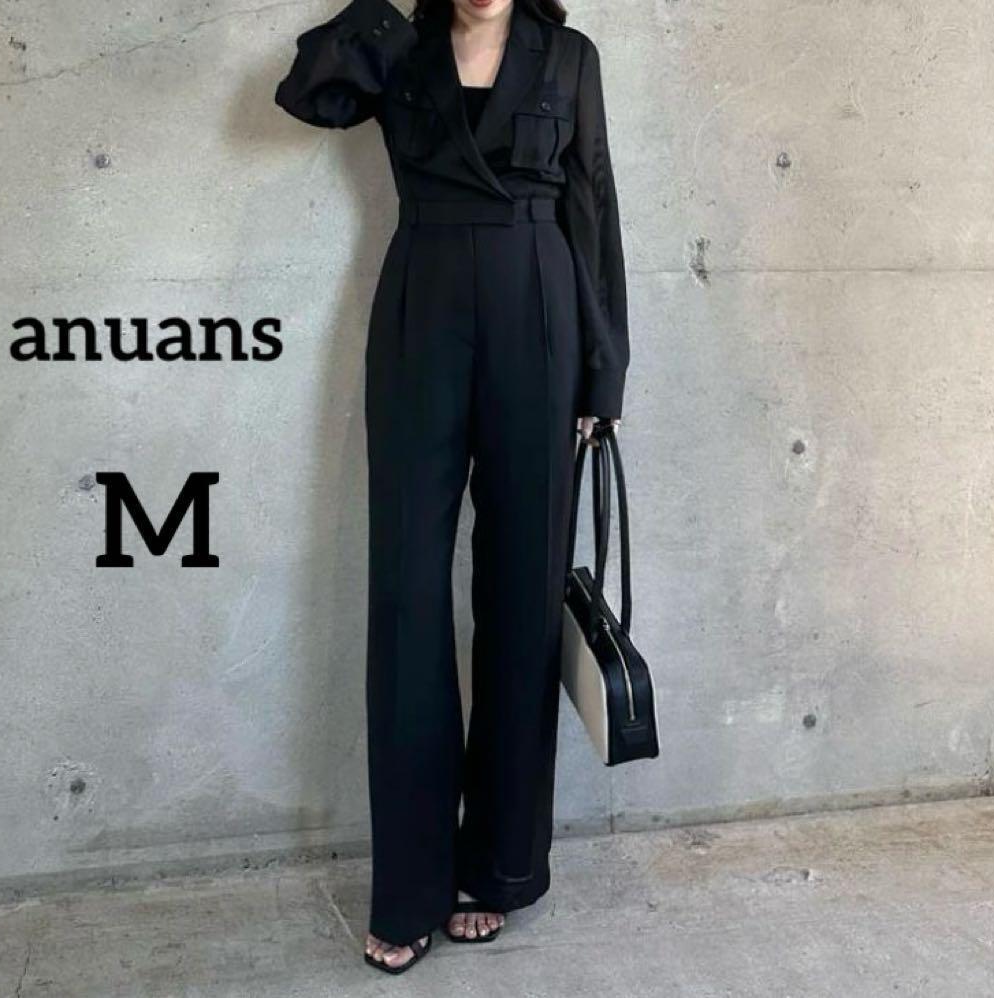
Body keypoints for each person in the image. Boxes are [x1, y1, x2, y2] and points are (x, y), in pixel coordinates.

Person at [274, 0, 628, 974]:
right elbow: (307, 91)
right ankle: (409, 888)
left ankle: (499, 867)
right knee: (406, 595)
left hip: (540, 312)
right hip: (422, 309)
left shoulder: (570, 57)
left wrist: (603, 376)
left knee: (521, 595)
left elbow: (593, 205)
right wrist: (379, 21)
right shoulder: (402, 49)